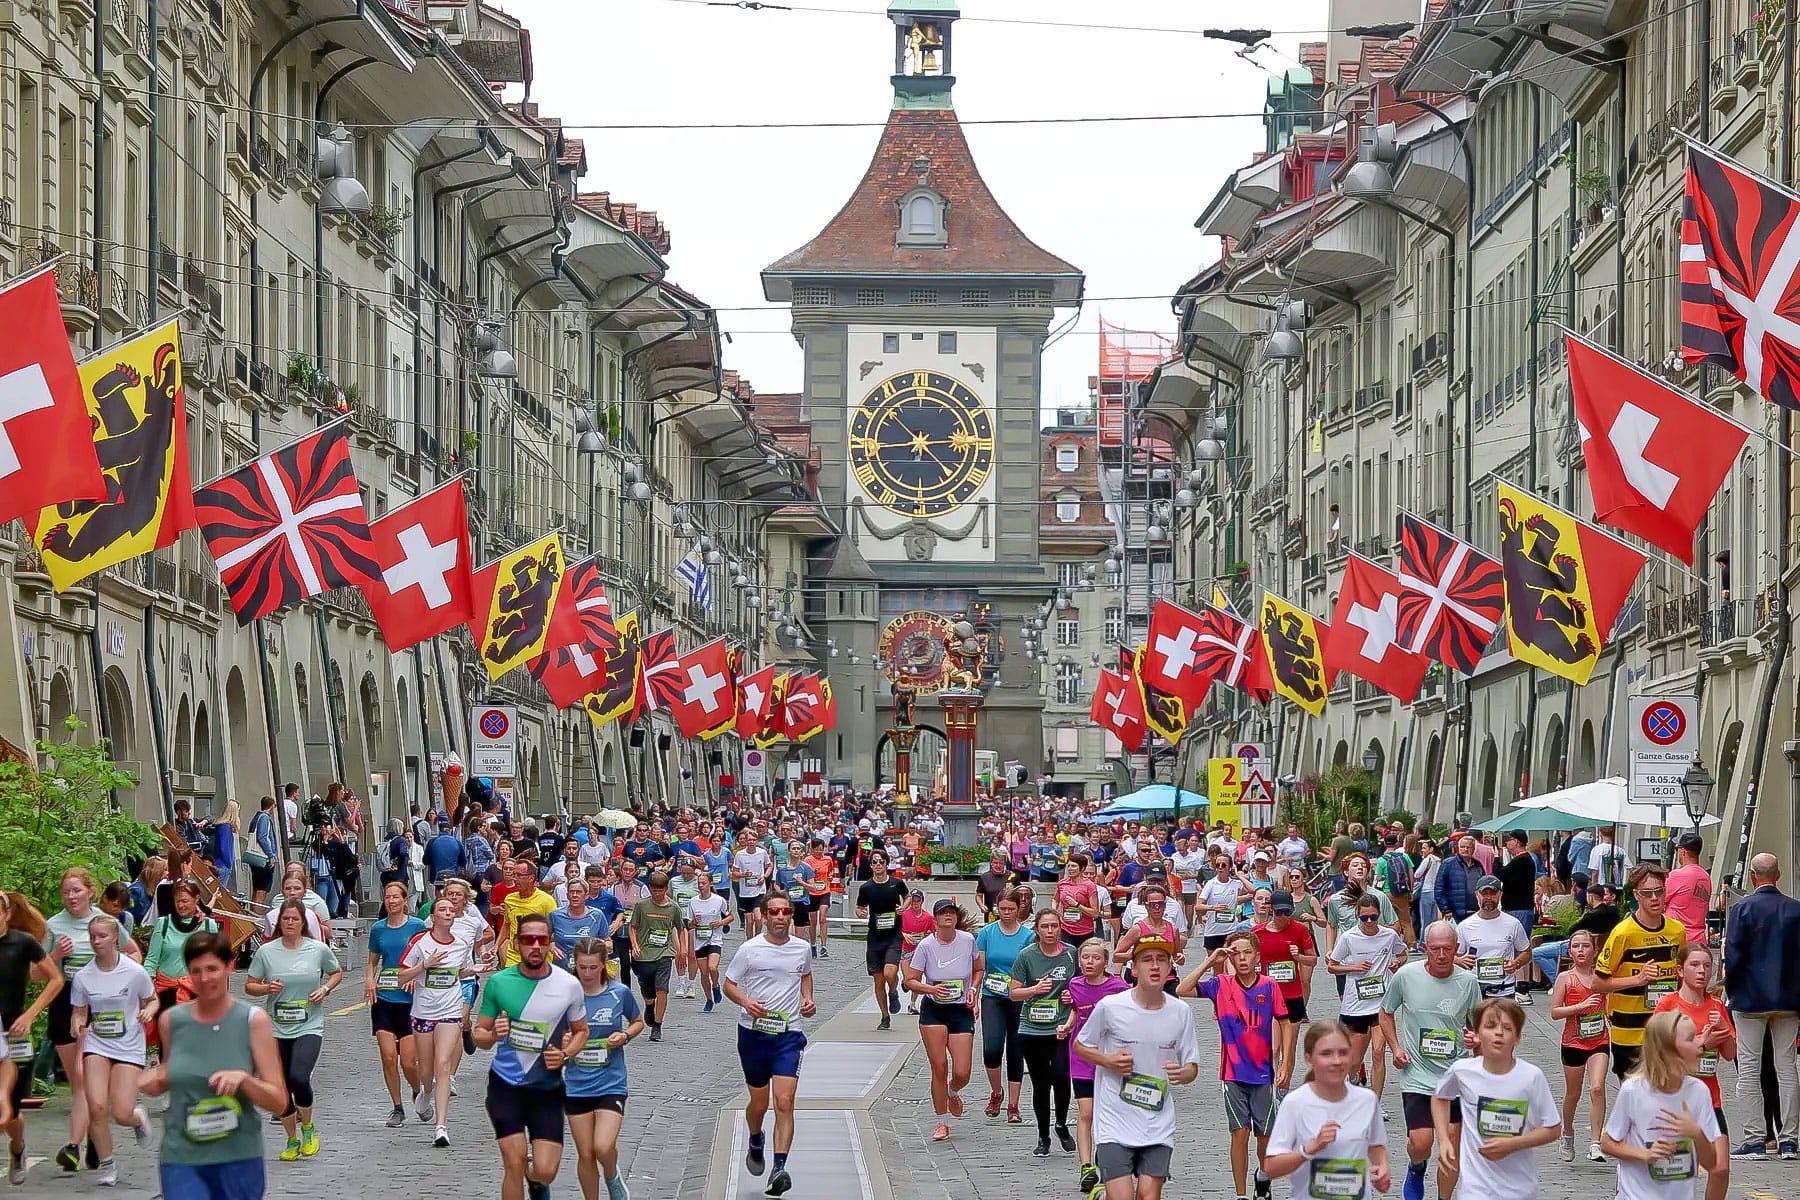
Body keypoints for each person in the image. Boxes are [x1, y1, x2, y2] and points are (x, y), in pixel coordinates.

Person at [140, 931, 286, 1199]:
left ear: (229, 966)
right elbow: (170, 1073)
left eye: (212, 969)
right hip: (182, 1156)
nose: (204, 979)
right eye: (196, 971)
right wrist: (148, 1080)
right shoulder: (172, 1020)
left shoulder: (253, 1021)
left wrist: (244, 1080)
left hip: (237, 1157)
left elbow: (279, 1102)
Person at [1073, 935, 1201, 1200]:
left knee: (1148, 1196)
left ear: (1170, 968)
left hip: (1157, 1121)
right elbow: (1081, 1045)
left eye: (1161, 960)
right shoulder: (1111, 1007)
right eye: (1147, 960)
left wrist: (1184, 1074)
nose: (1154, 966)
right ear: (1134, 968)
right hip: (1114, 1119)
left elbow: (1192, 1065)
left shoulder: (1180, 1011)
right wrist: (1109, 1061)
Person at [475, 910, 589, 1200]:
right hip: (506, 1085)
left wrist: (565, 1054)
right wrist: (494, 1034)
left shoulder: (568, 985)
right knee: (513, 1163)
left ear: (551, 942)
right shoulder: (500, 982)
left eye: (541, 940)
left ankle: (535, 1178)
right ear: (516, 943)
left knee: (545, 1171)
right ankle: (521, 1172)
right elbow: (479, 1035)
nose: (535, 946)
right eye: (528, 940)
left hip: (547, 1088)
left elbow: (581, 1031)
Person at [1179, 930, 1286, 1200]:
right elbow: (1182, 989)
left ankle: (1263, 1176)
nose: (1242, 959)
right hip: (1233, 1073)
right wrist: (1210, 960)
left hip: (1263, 1073)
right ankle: (1241, 1194)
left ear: (1257, 957)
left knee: (1264, 1135)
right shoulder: (1220, 984)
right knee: (1240, 1132)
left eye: (1248, 953)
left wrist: (1284, 1062)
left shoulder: (1269, 986)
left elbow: (1284, 1021)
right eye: (1236, 953)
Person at [1378, 920, 1481, 1200]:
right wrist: (1396, 1048)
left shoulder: (1469, 983)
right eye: (1435, 949)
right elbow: (1385, 1012)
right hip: (1417, 1075)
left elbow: (1478, 1027)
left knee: (1451, 1148)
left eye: (1447, 948)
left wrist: (1475, 1042)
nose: (1442, 955)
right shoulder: (1406, 976)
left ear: (1456, 948)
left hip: (1454, 1078)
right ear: (1425, 948)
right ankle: (1416, 1166)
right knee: (1421, 1143)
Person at [724, 894, 816, 1198]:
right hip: (753, 1035)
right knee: (760, 1104)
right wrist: (746, 1001)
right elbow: (729, 984)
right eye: (774, 911)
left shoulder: (802, 948)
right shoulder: (750, 949)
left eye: (785, 911)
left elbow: (805, 975)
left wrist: (807, 999)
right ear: (764, 917)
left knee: (785, 1101)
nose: (780, 916)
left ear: (790, 916)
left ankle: (779, 1168)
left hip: (789, 1035)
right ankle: (755, 1136)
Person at [46, 866, 137, 1173]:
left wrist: (113, 973)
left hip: (99, 1004)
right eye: (66, 892)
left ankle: (73, 1146)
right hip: (64, 1002)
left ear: (91, 892)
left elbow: (134, 954)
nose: (71, 897)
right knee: (79, 1083)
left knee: (84, 1076)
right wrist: (55, 956)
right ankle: (95, 1135)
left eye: (77, 890)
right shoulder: (53, 925)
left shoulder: (105, 923)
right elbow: (36, 974)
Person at [1430, 997, 1561, 1200]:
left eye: (1507, 1028)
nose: (1499, 1032)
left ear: (1517, 1038)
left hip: (1518, 1189)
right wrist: (1444, 1140)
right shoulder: (1463, 1071)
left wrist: (1513, 1144)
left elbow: (1552, 1128)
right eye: (1490, 1026)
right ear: (1477, 1034)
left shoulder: (1531, 1077)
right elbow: (1440, 1097)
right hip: (1475, 1188)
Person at [247, 897, 344, 1162]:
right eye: (285, 918)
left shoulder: (317, 949)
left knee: (299, 1077)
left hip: (309, 1025)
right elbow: (250, 985)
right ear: (279, 922)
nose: (290, 923)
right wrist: (266, 988)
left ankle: (308, 1128)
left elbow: (336, 972)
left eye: (295, 919)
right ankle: (291, 1138)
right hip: (275, 1028)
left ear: (303, 923)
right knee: (280, 1086)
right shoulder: (266, 951)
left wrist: (325, 989)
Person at [1722, 851, 1800, 1160]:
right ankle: (1789, 1140)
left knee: (1749, 1069)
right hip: (1788, 999)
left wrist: (1730, 991)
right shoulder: (1795, 910)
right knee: (1787, 1067)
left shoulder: (1741, 909)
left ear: (1753, 877)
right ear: (1778, 875)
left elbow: (1734, 955)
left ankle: (1755, 1138)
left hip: (1750, 999)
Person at [67, 914, 155, 1187]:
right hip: (97, 1044)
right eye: (92, 936)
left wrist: (148, 1012)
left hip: (128, 1045)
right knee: (96, 1106)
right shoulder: (83, 976)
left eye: (102, 936)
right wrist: (77, 1024)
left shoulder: (134, 971)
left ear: (115, 937)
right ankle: (108, 1165)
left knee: (121, 1112)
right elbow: (79, 1011)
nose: (96, 941)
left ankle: (136, 1118)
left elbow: (152, 999)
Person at [1601, 1011, 1726, 1200]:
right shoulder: (1633, 1090)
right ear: (1669, 1050)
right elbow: (1608, 1143)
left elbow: (1712, 1164)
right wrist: (1646, 1154)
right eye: (1691, 1038)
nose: (1701, 1043)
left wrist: (1697, 1133)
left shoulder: (1699, 1091)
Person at [1264, 1020, 1390, 1200]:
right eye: (1326, 1054)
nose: (1336, 1061)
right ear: (1309, 1059)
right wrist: (1310, 1148)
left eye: (1343, 1053)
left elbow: (1376, 1146)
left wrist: (1382, 1166)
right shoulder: (1295, 1103)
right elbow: (1271, 1167)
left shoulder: (1367, 1100)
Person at [563, 938, 644, 1200]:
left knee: (602, 1145)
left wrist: (625, 1036)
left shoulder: (618, 992)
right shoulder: (565, 995)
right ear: (575, 965)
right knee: (586, 1153)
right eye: (582, 967)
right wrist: (563, 1040)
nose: (587, 973)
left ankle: (612, 1175)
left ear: (603, 965)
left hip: (611, 1082)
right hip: (576, 1084)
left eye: (593, 967)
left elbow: (638, 1021)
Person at [1654, 941, 1736, 1200]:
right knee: (1673, 1172)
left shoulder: (1716, 1006)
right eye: (1695, 965)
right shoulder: (1668, 1004)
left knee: (1721, 1169)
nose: (1702, 971)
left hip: (1709, 1099)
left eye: (1707, 966)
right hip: (1674, 1100)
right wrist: (1701, 1044)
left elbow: (1730, 1054)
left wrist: (1724, 1029)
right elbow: (1657, 1053)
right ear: (1680, 970)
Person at [1597, 862, 1687, 1081]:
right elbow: (1597, 983)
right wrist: (1638, 979)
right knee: (1635, 1097)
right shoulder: (1623, 933)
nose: (1654, 898)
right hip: (1629, 1032)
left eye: (1659, 891)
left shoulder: (1677, 931)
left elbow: (1681, 977)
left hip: (1664, 1030)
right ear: (1637, 895)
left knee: (1665, 1095)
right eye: (1647, 893)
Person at [400, 897, 478, 1148]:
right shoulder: (420, 942)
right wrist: (424, 965)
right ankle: (425, 1090)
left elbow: (460, 972)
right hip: (424, 1012)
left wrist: (476, 969)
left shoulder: (462, 944)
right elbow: (401, 976)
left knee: (443, 1064)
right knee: (426, 1071)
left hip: (450, 1011)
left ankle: (441, 1126)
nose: (448, 912)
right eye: (442, 909)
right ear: (432, 917)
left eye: (451, 910)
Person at [905, 899, 979, 1142]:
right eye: (943, 913)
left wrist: (973, 990)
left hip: (960, 1009)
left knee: (962, 1071)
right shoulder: (926, 945)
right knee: (939, 1067)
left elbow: (979, 968)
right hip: (934, 1010)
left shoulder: (967, 940)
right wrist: (931, 989)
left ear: (957, 918)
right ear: (935, 918)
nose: (948, 916)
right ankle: (941, 1121)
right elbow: (910, 980)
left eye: (951, 913)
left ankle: (953, 1091)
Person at [1011, 909, 1079, 1158]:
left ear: (1060, 928)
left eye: (1054, 926)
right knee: (1040, 1083)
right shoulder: (1026, 955)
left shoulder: (1071, 953)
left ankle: (1061, 1124)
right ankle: (1043, 1135)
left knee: (1061, 1077)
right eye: (1045, 927)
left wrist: (1071, 994)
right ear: (1037, 930)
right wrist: (1034, 989)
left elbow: (1080, 984)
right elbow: (1013, 993)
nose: (1050, 931)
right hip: (1032, 1027)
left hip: (1061, 1026)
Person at [1067, 935, 1130, 1193]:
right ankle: (1086, 1167)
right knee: (1086, 1113)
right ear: (1079, 961)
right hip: (1081, 1057)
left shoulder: (1119, 987)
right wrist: (1067, 1026)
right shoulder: (1074, 985)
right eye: (1085, 957)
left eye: (1095, 958)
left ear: (1105, 962)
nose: (1090, 962)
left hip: (1109, 1060)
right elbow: (1076, 1010)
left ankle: (1103, 1159)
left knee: (1108, 1113)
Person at [1328, 894, 1406, 1095]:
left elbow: (1403, 954)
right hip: (1355, 1007)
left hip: (1381, 1005)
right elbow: (1332, 966)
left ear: (1379, 914)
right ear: (1358, 916)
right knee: (1354, 1062)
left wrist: (1397, 963)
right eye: (1364, 918)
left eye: (1373, 917)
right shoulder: (1349, 937)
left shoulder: (1389, 935)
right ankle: (1353, 1081)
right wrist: (1354, 967)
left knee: (1378, 1054)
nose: (1369, 921)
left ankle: (1374, 1103)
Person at [365, 880, 427, 1128]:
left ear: (404, 900)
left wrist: (414, 975)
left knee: (408, 1062)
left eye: (395, 897)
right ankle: (397, 1107)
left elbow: (425, 958)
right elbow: (372, 961)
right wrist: (369, 980)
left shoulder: (417, 926)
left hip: (410, 1001)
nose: (391, 901)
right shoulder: (378, 928)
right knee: (388, 1057)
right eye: (387, 897)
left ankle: (417, 1091)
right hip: (384, 999)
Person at [1548, 927, 1610, 1162]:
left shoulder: (1601, 978)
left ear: (1595, 950)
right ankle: (1567, 1132)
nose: (1581, 950)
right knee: (1573, 1093)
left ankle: (1595, 1143)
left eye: (1586, 946)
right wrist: (1580, 1007)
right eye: (1576, 946)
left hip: (1599, 1040)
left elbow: (1608, 1006)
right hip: (1573, 1042)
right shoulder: (1566, 978)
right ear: (1570, 952)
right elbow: (1555, 1012)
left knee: (1597, 1087)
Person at [974, 889, 1033, 1121]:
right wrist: (973, 993)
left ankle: (1013, 1105)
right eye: (1002, 909)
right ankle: (996, 1092)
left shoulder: (1028, 936)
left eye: (1011, 909)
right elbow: (979, 967)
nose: (1006, 913)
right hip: (992, 996)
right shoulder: (987, 933)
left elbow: (1031, 969)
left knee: (1016, 1050)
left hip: (1018, 998)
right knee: (992, 1048)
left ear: (1019, 909)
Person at [628, 870, 685, 1042]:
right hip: (644, 954)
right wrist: (635, 945)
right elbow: (633, 927)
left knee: (662, 988)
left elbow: (680, 929)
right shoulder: (642, 905)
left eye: (660, 890)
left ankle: (657, 1026)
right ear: (650, 888)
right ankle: (649, 1005)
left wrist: (682, 950)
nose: (657, 893)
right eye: (654, 890)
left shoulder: (673, 907)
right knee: (647, 989)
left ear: (666, 889)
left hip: (665, 952)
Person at [1455, 875, 1531, 1001]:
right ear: (1477, 895)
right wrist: (1459, 960)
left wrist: (1516, 963)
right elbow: (1452, 956)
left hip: (1504, 990)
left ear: (1500, 895)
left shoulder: (1513, 924)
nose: (1488, 898)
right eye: (1484, 894)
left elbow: (1526, 952)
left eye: (1493, 893)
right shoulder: (1464, 926)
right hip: (1475, 989)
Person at [855, 849, 907, 1030]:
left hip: (893, 935)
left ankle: (893, 991)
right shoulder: (866, 887)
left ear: (886, 863)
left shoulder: (896, 883)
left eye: (881, 861)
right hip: (875, 937)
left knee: (890, 973)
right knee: (878, 980)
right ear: (870, 866)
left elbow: (907, 897)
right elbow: (859, 907)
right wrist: (860, 912)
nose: (878, 865)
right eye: (874, 862)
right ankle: (885, 1016)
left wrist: (903, 907)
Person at [500, 858, 558, 968]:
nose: (515, 879)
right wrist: (496, 947)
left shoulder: (547, 901)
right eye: (514, 875)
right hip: (513, 958)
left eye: (519, 875)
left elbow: (555, 930)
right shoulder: (509, 899)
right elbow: (507, 924)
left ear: (531, 878)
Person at [687, 871, 731, 1013]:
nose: (701, 886)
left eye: (704, 883)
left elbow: (730, 916)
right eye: (699, 883)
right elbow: (689, 924)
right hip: (700, 941)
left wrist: (721, 922)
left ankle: (716, 986)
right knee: (704, 973)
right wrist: (694, 922)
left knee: (712, 967)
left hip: (714, 939)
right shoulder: (693, 901)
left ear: (710, 883)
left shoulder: (719, 900)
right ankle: (709, 999)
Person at [1197, 854, 1248, 953]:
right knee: (1215, 961)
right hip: (1213, 931)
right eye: (1217, 865)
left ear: (1230, 867)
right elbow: (1198, 906)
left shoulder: (1236, 884)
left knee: (1232, 960)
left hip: (1231, 931)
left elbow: (1253, 890)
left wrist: (1238, 875)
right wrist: (1213, 907)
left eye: (1223, 865)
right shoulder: (1211, 884)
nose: (1220, 867)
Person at [1434, 835, 1485, 924]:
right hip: (1455, 915)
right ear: (1458, 848)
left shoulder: (1478, 865)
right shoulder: (1448, 864)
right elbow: (1439, 889)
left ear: (1473, 849)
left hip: (1476, 913)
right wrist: (1446, 910)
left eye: (1468, 847)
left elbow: (1483, 886)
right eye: (1462, 847)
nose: (1465, 849)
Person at [899, 891, 934, 1015]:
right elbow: (895, 930)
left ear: (922, 902)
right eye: (913, 901)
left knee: (916, 979)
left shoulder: (928, 917)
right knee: (908, 979)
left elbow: (935, 931)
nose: (915, 904)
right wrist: (904, 935)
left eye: (918, 901)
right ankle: (904, 983)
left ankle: (912, 1004)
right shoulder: (903, 915)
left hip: (919, 950)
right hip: (906, 949)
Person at [731, 836, 773, 939]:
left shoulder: (762, 852)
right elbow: (734, 872)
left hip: (759, 890)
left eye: (754, 840)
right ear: (746, 841)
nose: (751, 842)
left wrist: (764, 877)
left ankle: (757, 938)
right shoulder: (740, 854)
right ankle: (749, 942)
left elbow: (769, 866)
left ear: (757, 841)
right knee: (749, 921)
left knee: (758, 918)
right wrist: (743, 875)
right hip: (745, 892)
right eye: (749, 840)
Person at [245, 796, 280, 905]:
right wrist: (271, 855)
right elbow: (262, 837)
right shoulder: (265, 817)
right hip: (264, 858)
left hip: (256, 857)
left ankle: (254, 910)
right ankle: (257, 912)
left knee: (257, 888)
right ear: (272, 806)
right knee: (262, 889)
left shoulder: (257, 817)